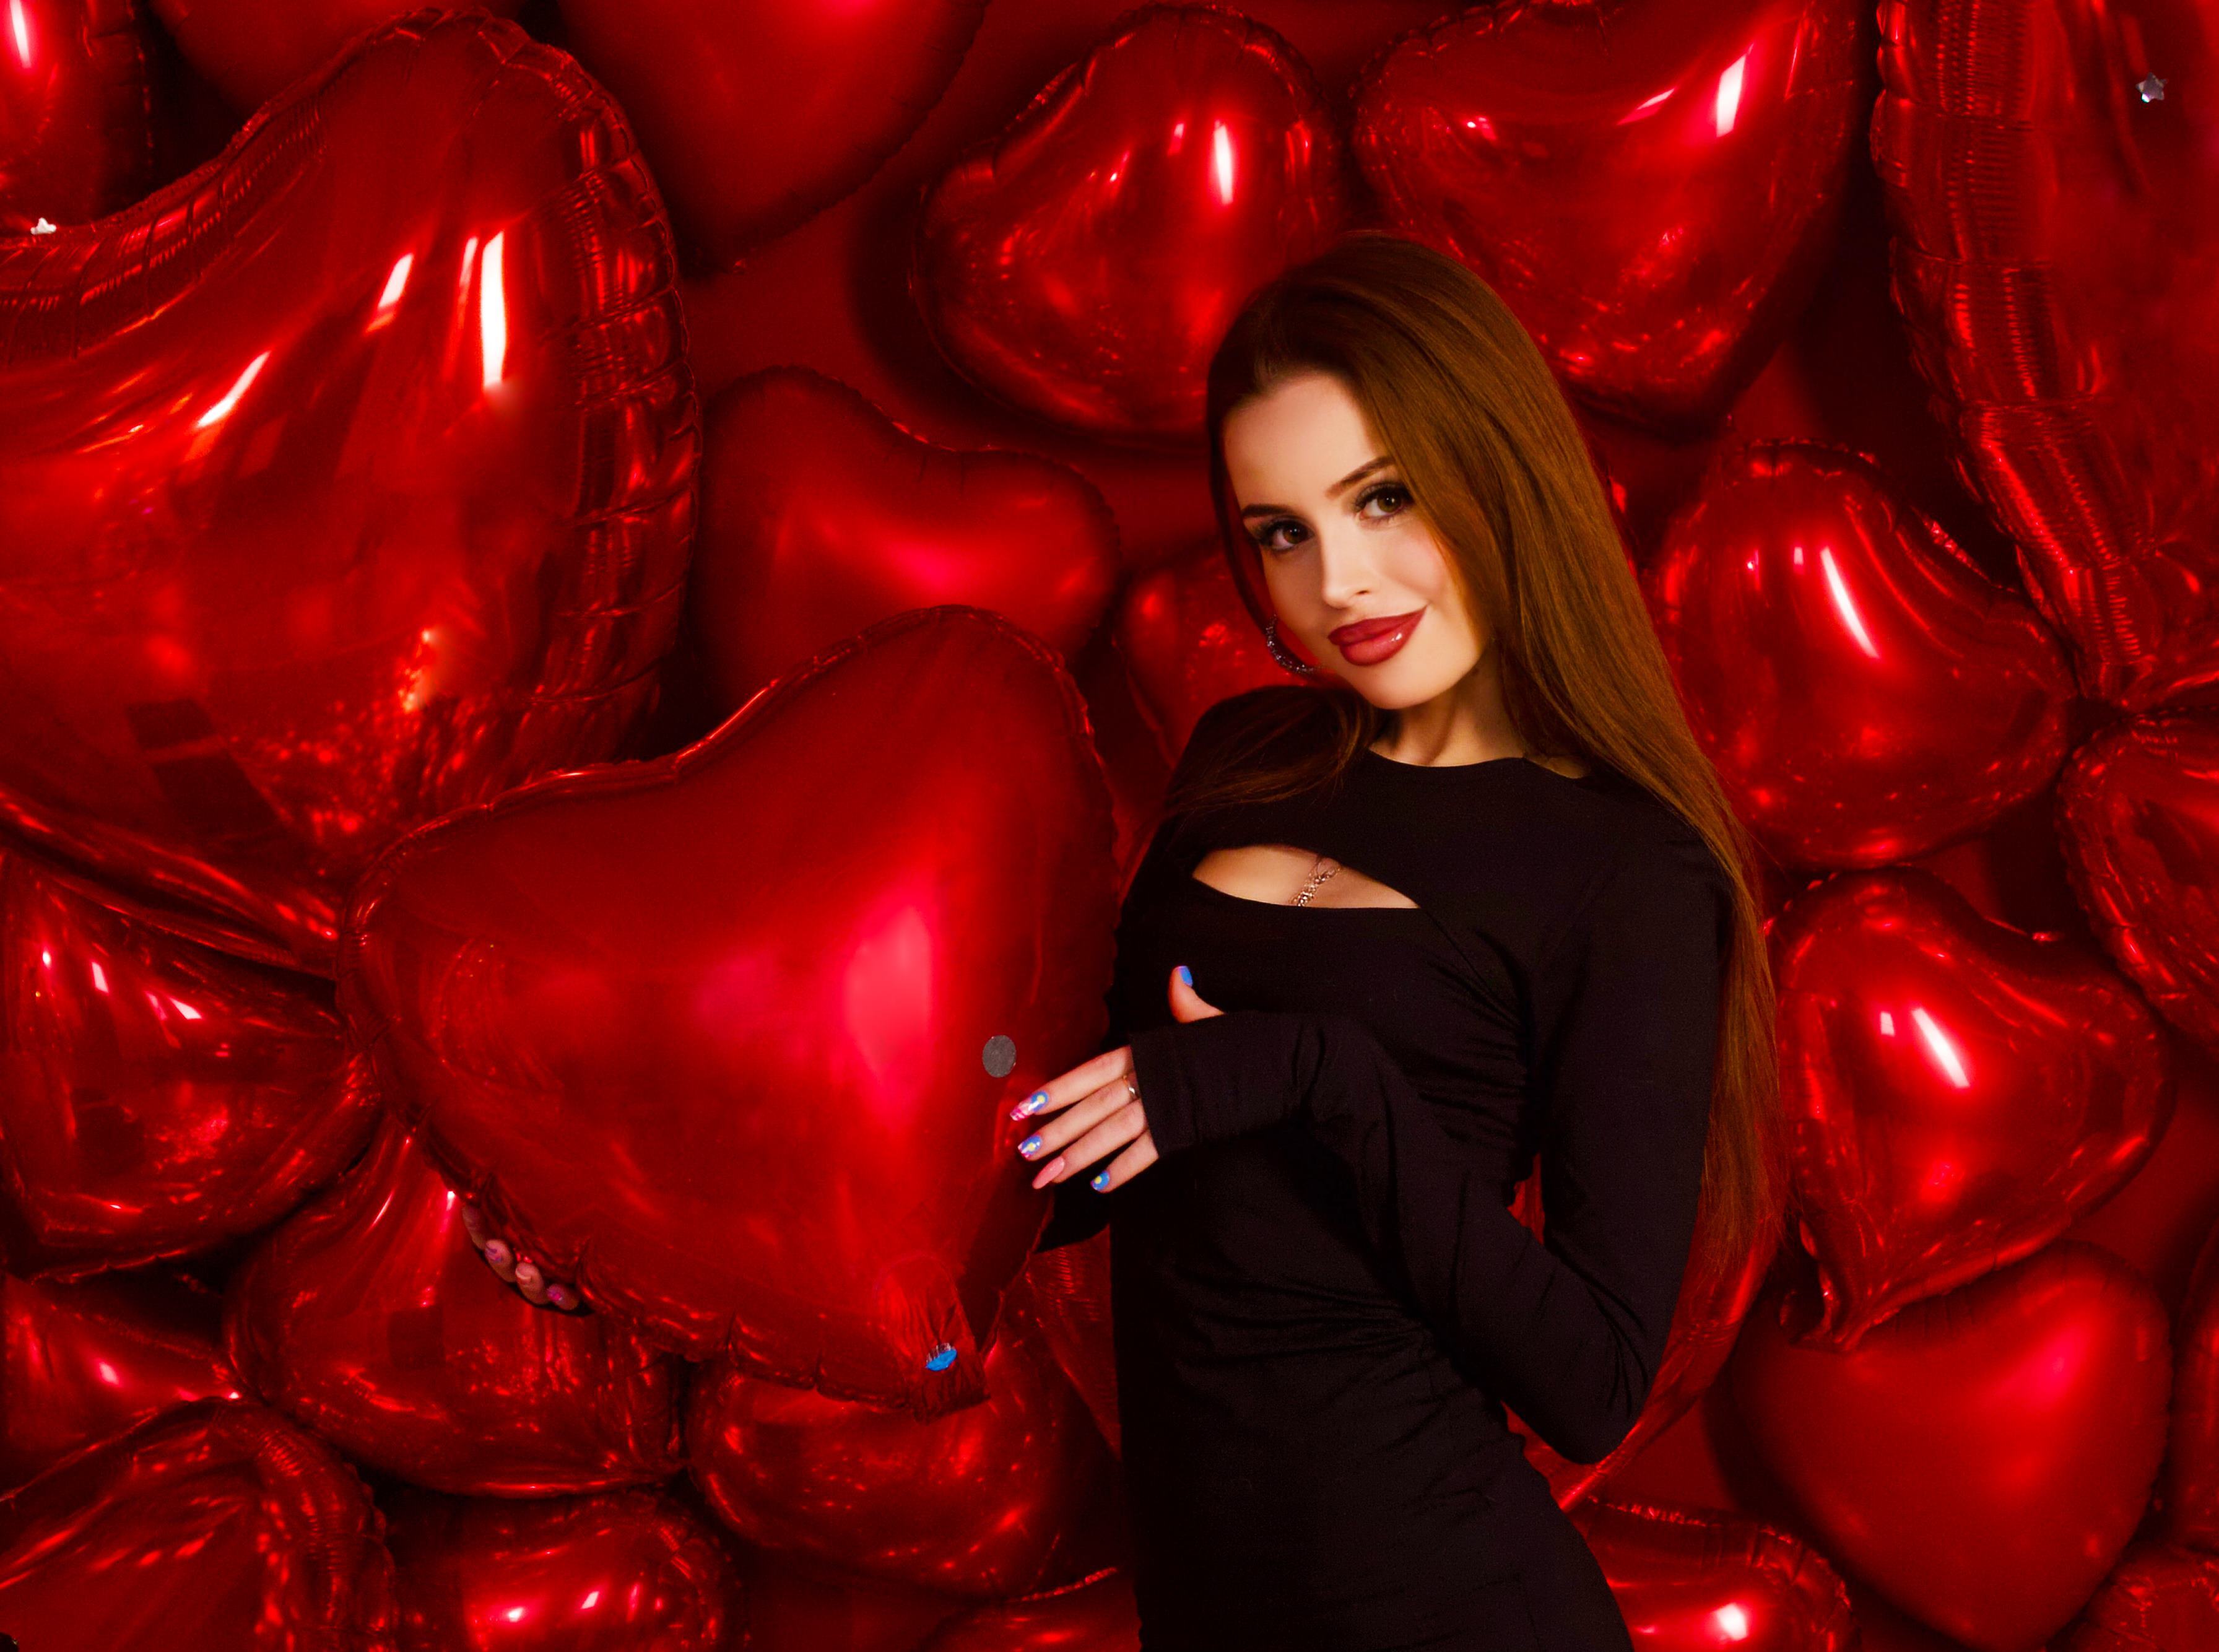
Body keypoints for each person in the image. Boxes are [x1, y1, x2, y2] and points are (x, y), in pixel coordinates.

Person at [1009, 231, 1783, 1651]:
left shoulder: (1625, 868)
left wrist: (1319, 1076)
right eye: (1282, 531)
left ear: (1499, 468)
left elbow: (1592, 1379)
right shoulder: (1244, 755)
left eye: (1383, 498)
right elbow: (1083, 1141)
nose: (1341, 581)